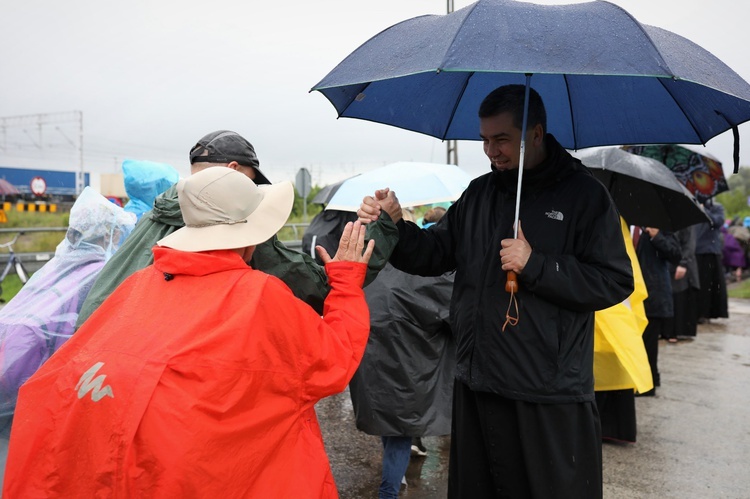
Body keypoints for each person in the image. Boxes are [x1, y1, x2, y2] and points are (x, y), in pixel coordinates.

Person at [3, 168, 375, 498]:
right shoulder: (260, 295)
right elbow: (332, 363)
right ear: (250, 237)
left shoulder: (139, 285)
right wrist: (344, 282)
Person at [358, 84, 633, 498]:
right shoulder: (479, 194)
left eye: (502, 139)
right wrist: (396, 226)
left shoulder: (585, 195)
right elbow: (434, 255)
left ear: (536, 134)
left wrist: (536, 264)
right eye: (485, 140)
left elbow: (614, 280)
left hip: (546, 393)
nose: (491, 151)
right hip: (478, 383)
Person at [75, 130, 393, 328]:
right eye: (252, 182)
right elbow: (317, 290)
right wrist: (384, 228)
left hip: (98, 355)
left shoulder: (154, 216)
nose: (254, 194)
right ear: (232, 171)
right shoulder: (232, 223)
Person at [0, 187, 136, 426]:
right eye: (117, 234)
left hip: (15, 366)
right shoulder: (99, 272)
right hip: (45, 379)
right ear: (107, 235)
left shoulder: (59, 263)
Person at [348, 209, 455, 499]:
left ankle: (393, 483)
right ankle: (389, 491)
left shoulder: (365, 265)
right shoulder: (421, 269)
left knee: (389, 423)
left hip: (371, 361)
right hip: (410, 365)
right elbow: (450, 308)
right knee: (400, 430)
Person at [632, 226, 681, 394]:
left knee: (648, 341)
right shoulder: (620, 224)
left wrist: (657, 236)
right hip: (627, 293)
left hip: (652, 292)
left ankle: (648, 383)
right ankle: (645, 378)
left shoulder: (657, 224)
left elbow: (675, 254)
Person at [694, 200, 729, 323]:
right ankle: (697, 313)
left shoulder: (717, 207)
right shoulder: (693, 204)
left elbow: (717, 221)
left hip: (711, 250)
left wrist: (704, 210)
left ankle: (708, 313)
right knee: (699, 285)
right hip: (696, 250)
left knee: (711, 285)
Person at [666, 225, 701, 340]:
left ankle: (676, 331)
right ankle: (669, 331)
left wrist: (683, 263)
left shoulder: (687, 222)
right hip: (668, 263)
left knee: (679, 297)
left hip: (681, 263)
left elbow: (689, 244)